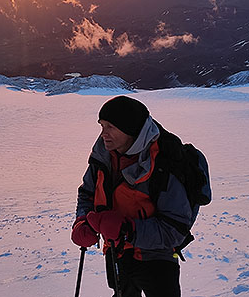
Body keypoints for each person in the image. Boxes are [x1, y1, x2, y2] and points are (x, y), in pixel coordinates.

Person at [72, 96, 207, 297]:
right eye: (101, 126)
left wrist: (127, 230)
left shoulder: (164, 163)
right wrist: (82, 220)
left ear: (130, 130)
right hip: (115, 251)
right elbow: (87, 193)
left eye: (110, 127)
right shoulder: (102, 156)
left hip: (156, 258)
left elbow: (175, 228)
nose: (103, 134)